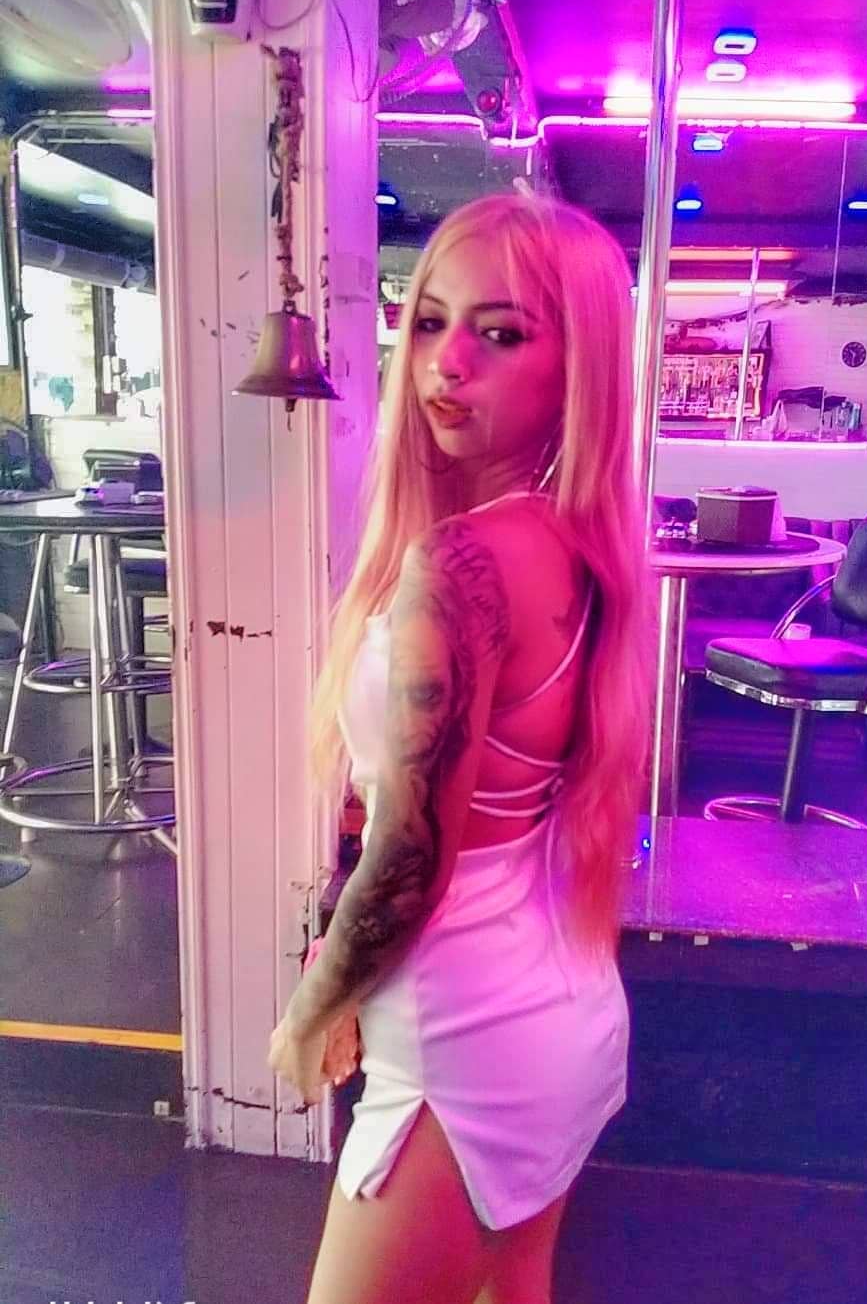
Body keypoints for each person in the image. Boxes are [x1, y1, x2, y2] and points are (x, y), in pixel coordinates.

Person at [268, 190, 651, 1304]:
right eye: (430, 321)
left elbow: (412, 852)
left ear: (578, 369)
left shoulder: (466, 563)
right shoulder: (577, 545)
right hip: (557, 1012)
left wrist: (310, 1008)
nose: (448, 362)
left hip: (465, 1045)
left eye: (502, 332)